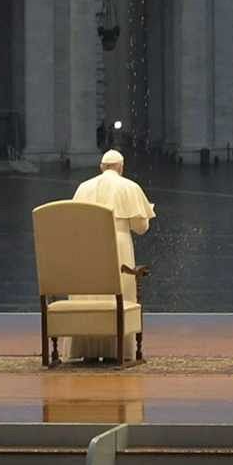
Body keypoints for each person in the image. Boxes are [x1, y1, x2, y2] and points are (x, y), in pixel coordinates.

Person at [69, 149, 154, 361]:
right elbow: (141, 227)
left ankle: (87, 351)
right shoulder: (130, 187)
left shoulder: (83, 188)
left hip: (87, 248)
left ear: (101, 167)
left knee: (90, 297)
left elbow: (74, 224)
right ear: (121, 167)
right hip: (118, 246)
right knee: (117, 294)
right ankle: (117, 351)